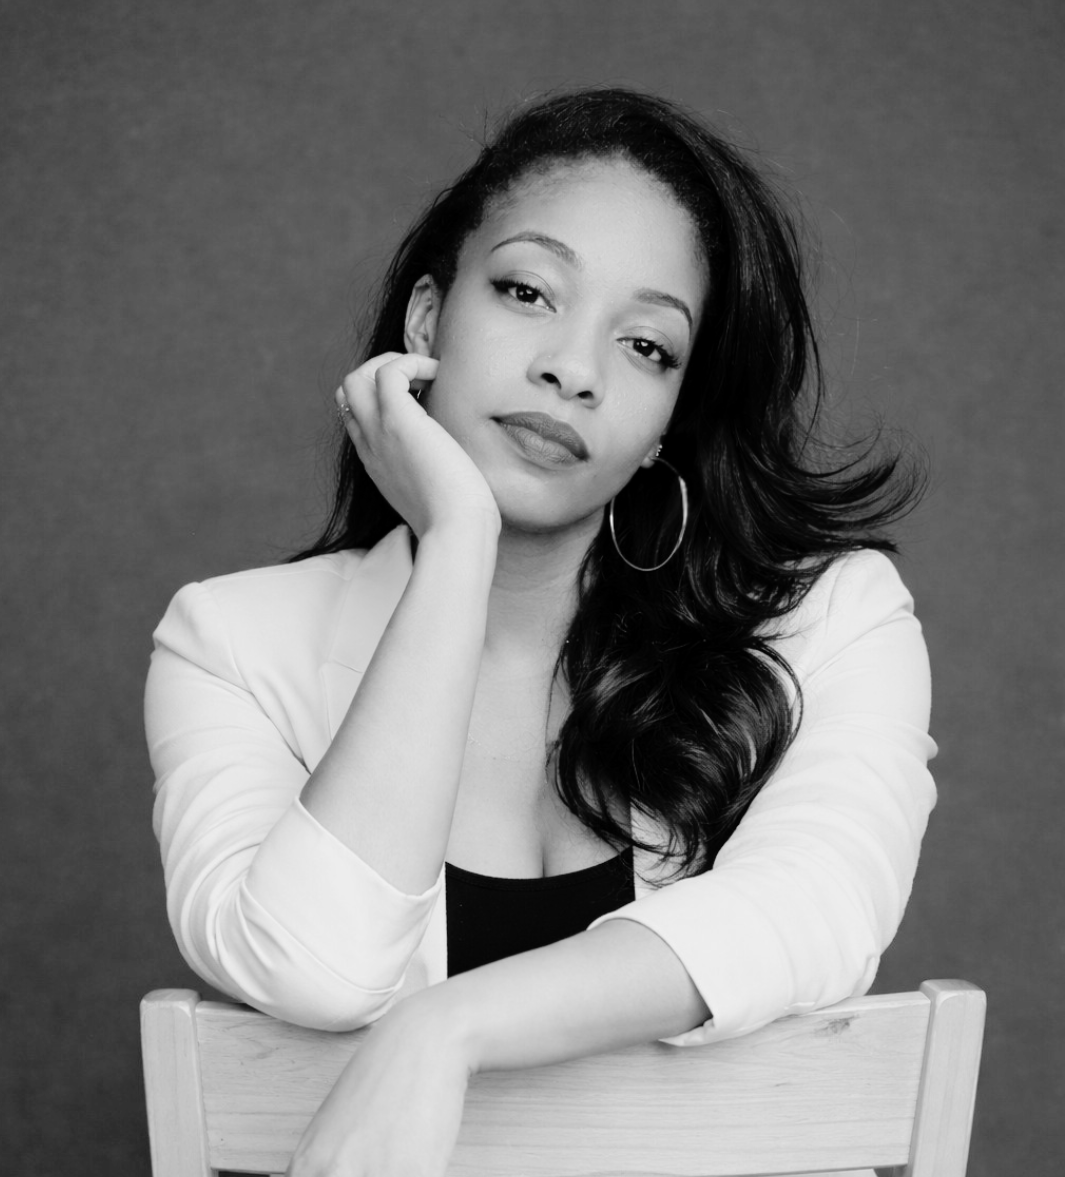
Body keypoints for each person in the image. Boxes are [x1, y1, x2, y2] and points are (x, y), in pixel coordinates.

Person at [145, 87, 936, 1176]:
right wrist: (456, 544)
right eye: (527, 291)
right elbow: (313, 966)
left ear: (666, 426)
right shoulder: (230, 643)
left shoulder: (831, 621)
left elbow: (813, 911)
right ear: (427, 321)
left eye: (647, 345)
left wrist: (448, 1029)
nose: (575, 369)